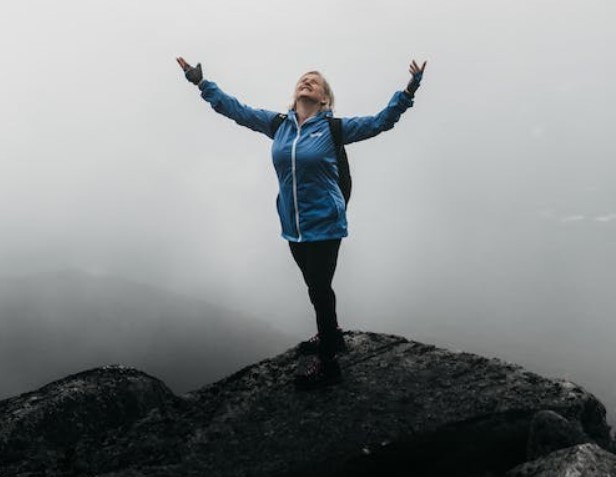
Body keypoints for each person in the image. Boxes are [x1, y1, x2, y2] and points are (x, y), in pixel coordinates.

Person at [176, 56, 426, 390]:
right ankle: (332, 333)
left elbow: (381, 121)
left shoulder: (334, 129)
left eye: (314, 81)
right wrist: (201, 83)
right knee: (313, 285)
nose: (306, 82)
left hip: (326, 223)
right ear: (295, 94)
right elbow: (237, 110)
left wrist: (408, 91)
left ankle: (328, 364)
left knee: (320, 289)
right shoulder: (278, 125)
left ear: (324, 99)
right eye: (302, 79)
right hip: (293, 226)